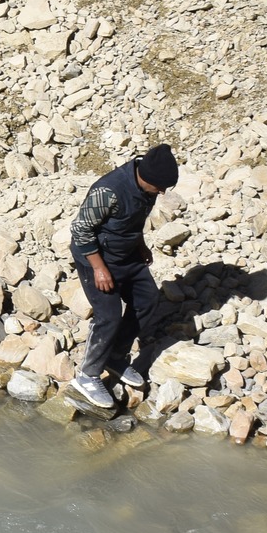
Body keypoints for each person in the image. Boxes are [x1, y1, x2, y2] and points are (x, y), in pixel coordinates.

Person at [65, 144, 178, 412]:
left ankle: (116, 357)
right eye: (159, 187)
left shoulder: (147, 187)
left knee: (148, 300)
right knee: (109, 316)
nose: (162, 193)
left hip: (127, 254)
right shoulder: (108, 190)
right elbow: (80, 230)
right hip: (96, 257)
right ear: (145, 177)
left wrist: (140, 246)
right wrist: (99, 268)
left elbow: (133, 220)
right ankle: (88, 376)